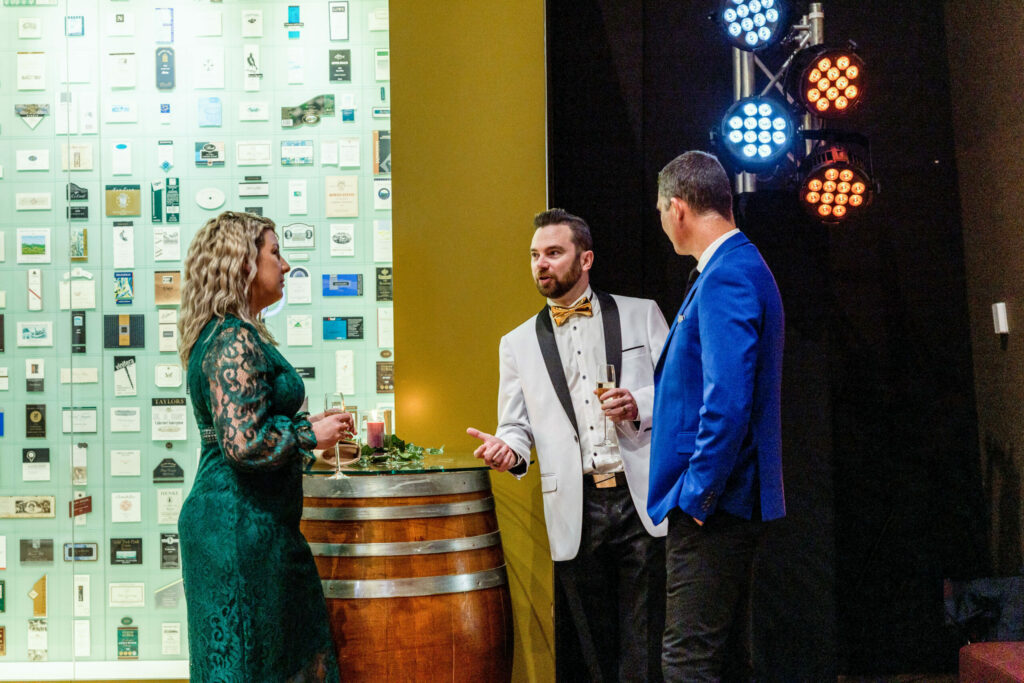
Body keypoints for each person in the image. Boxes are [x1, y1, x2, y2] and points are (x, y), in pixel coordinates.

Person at [468, 209, 669, 682]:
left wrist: (637, 404)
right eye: (535, 255)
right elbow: (515, 426)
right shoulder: (517, 343)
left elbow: (679, 392)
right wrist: (508, 450)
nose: (541, 264)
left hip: (639, 496)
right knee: (592, 649)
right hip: (578, 506)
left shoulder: (641, 313)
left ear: (585, 259)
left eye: (554, 253)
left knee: (646, 645)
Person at [177, 211, 353, 683]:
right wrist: (308, 436)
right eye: (276, 252)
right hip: (239, 529)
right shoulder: (233, 338)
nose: (286, 264)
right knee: (254, 666)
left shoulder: (228, 332)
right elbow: (244, 445)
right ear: (243, 262)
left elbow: (246, 425)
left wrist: (305, 426)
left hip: (248, 526)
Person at [647, 151, 786, 681]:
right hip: (728, 501)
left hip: (718, 504)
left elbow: (727, 401)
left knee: (688, 663)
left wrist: (698, 497)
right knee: (723, 662)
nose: (663, 223)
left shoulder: (727, 273)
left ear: (678, 209)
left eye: (661, 212)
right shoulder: (735, 266)